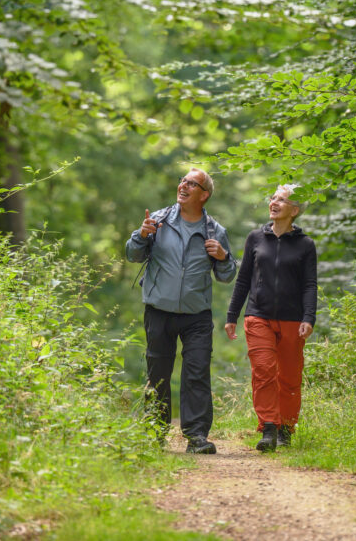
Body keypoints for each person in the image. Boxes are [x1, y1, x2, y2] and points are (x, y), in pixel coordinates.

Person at [126, 168, 237, 454]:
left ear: (204, 195)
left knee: (197, 373)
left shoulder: (215, 231)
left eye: (192, 183)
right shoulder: (158, 221)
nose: (184, 185)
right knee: (158, 372)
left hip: (196, 315)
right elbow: (131, 255)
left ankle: (197, 437)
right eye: (182, 180)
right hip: (159, 310)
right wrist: (140, 235)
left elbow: (226, 276)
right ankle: (154, 433)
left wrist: (223, 258)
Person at [225, 183, 317, 452]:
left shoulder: (305, 245)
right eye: (273, 198)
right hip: (258, 316)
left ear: (294, 210)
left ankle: (286, 429)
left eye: (281, 200)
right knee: (263, 371)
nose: (274, 203)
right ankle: (268, 428)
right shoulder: (255, 238)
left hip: (292, 319)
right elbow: (243, 280)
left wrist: (308, 317)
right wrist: (232, 315)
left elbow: (310, 284)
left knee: (289, 377)